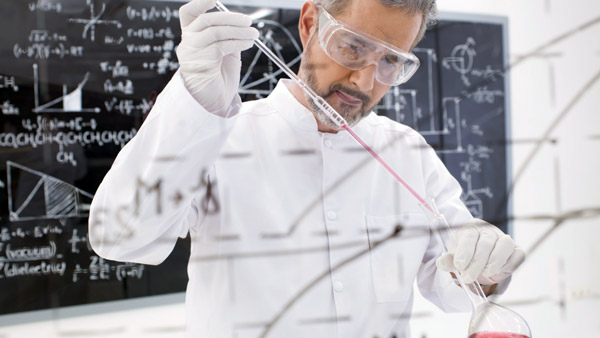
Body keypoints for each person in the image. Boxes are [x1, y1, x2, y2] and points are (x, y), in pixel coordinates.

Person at [89, 0, 525, 336]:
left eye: (391, 61)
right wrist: (191, 104)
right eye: (354, 47)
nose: (364, 81)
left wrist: (483, 268)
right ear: (309, 23)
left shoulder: (407, 152)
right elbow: (120, 238)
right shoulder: (222, 135)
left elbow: (452, 283)